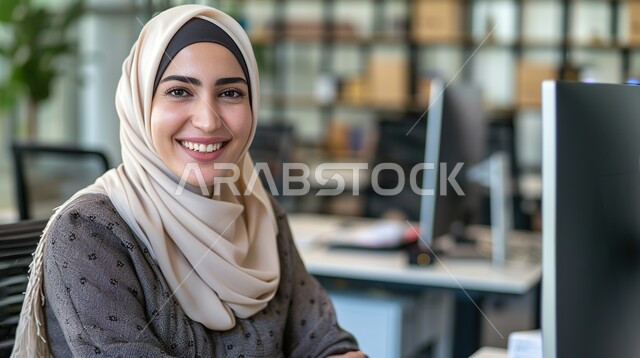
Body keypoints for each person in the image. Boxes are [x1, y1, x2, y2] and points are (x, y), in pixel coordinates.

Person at [11, 5, 363, 357]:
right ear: (139, 104)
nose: (208, 121)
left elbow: (325, 341)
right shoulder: (89, 231)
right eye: (179, 91)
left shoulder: (259, 213)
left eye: (230, 93)